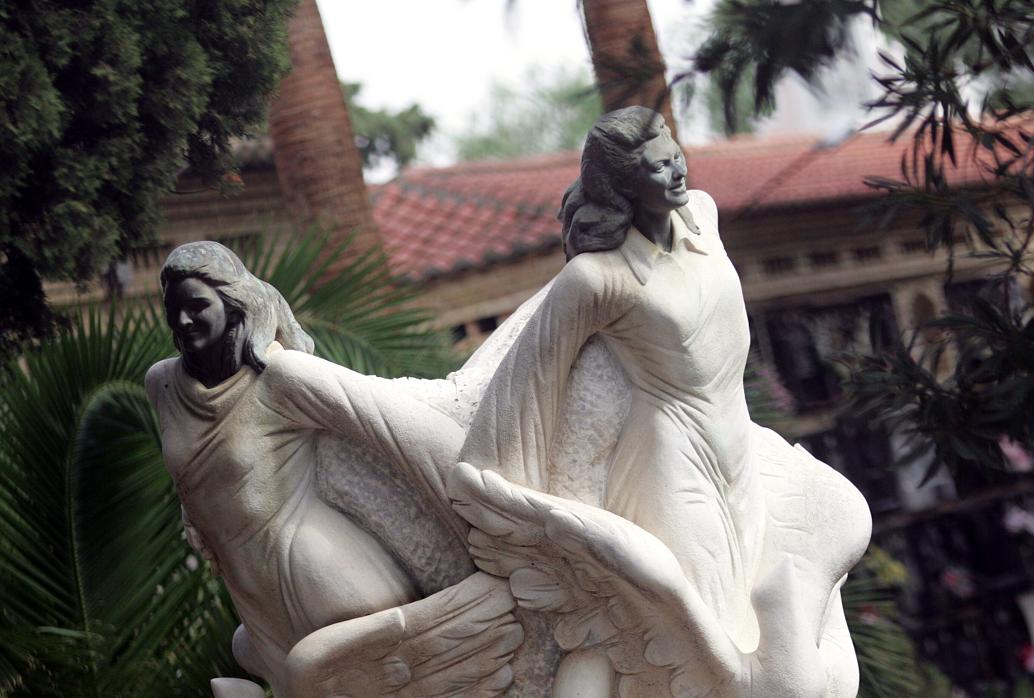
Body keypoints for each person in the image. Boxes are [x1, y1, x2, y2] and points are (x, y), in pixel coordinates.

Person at [456, 107, 872, 696]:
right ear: (623, 185)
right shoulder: (597, 280)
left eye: (675, 155)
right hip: (671, 465)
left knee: (754, 621)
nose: (676, 172)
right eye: (657, 168)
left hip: (742, 454)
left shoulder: (704, 214)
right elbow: (535, 374)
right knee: (693, 640)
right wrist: (506, 482)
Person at [147, 241, 515, 697]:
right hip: (251, 590)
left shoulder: (280, 376)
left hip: (322, 577)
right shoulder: (162, 384)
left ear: (233, 302)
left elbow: (403, 428)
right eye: (172, 308)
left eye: (198, 306)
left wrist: (491, 519)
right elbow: (195, 474)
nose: (183, 321)